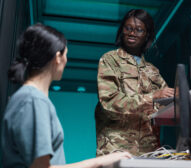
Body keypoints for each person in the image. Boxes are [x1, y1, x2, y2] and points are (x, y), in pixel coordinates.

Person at [1, 23, 131, 168]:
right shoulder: (33, 101)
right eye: (66, 55)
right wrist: (100, 162)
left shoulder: (29, 99)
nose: (66, 61)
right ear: (58, 57)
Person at [95, 9, 174, 156]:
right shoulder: (110, 60)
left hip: (148, 151)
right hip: (116, 149)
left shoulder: (153, 71)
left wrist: (179, 97)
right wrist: (152, 97)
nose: (132, 33)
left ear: (147, 36)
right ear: (122, 30)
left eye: (139, 30)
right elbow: (109, 101)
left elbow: (166, 101)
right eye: (128, 28)